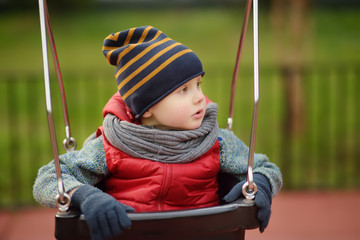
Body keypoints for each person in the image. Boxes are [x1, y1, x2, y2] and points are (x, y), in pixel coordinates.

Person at [33, 26, 282, 240]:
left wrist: (260, 183)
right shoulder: (111, 146)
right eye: (184, 90)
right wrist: (86, 196)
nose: (200, 98)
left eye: (198, 85)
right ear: (148, 107)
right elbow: (48, 179)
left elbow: (265, 168)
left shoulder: (216, 141)